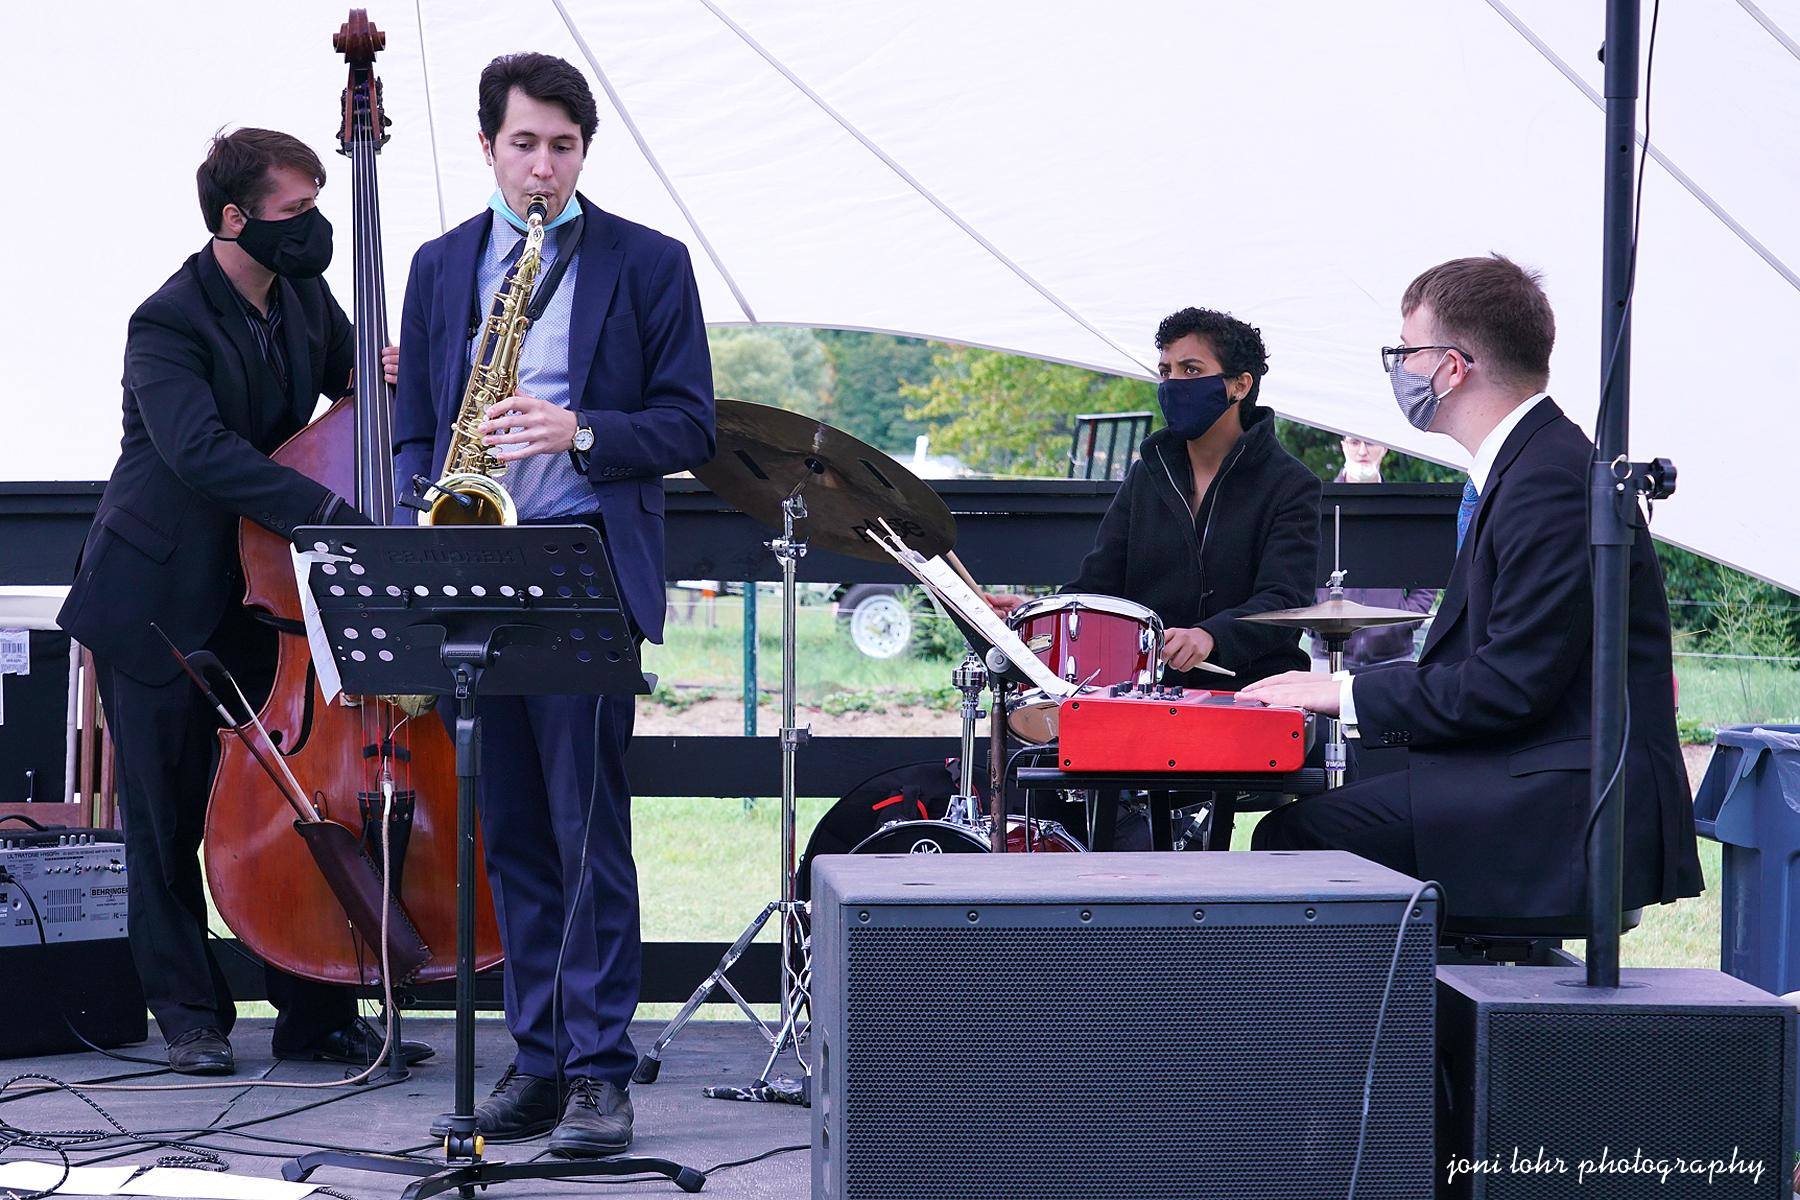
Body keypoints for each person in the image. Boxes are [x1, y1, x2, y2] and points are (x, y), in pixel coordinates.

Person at [392, 53, 714, 1157]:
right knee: (513, 835)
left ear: (585, 151)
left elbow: (690, 424)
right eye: (524, 144)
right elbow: (414, 422)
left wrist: (578, 431)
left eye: (564, 147)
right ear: (487, 146)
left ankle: (598, 1073)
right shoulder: (441, 264)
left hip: (582, 563)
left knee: (587, 836)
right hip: (472, 565)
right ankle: (536, 1064)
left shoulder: (650, 261)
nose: (544, 167)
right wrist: (424, 500)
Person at [57, 129, 429, 1075]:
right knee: (166, 817)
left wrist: (381, 376)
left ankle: (316, 1014)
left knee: (296, 803)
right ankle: (190, 1016)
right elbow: (201, 452)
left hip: (260, 596)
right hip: (156, 595)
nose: (313, 228)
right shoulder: (167, 321)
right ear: (234, 218)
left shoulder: (302, 296)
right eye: (295, 211)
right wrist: (328, 513)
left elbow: (347, 377)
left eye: (316, 205)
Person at [1243, 255, 1702, 923]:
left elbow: (1508, 685)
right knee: (1341, 779)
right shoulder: (1532, 464)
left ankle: (1384, 998)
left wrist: (1341, 692)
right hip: (1532, 768)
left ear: (1452, 367)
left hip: (1563, 802)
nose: (1399, 369)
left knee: (1295, 837)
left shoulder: (1549, 482)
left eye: (1406, 352)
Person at [989, 307, 1321, 686]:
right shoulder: (1146, 474)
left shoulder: (1292, 484)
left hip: (1256, 692)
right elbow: (1098, 583)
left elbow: (1284, 600)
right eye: (1166, 371)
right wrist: (1041, 615)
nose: (1173, 383)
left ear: (1239, 386)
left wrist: (1212, 636)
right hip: (1149, 689)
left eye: (1191, 370)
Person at [1307, 436, 1436, 673]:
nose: (1362, 451)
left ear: (1385, 448)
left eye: (1370, 443)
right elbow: (1299, 567)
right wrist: (1314, 623)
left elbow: (1426, 572)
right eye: (1354, 442)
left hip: (1393, 657)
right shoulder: (1316, 505)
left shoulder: (1402, 508)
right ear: (1343, 445)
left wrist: (1405, 619)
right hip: (1326, 657)